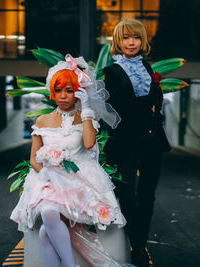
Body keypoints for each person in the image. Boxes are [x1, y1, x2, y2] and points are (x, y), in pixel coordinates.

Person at [10, 55, 126, 267]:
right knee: (47, 211)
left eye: (69, 90)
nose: (63, 96)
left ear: (78, 93)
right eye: (59, 90)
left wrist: (88, 109)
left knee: (46, 230)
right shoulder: (42, 120)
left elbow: (90, 144)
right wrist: (46, 173)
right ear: (52, 92)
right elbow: (34, 159)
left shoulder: (84, 116)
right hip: (49, 181)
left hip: (78, 179)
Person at [103, 18, 171, 267]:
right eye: (126, 37)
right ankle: (134, 239)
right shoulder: (111, 73)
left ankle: (139, 245)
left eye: (136, 37)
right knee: (127, 192)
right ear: (118, 41)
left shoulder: (148, 70)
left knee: (147, 195)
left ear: (143, 41)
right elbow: (114, 109)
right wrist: (146, 108)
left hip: (152, 140)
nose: (131, 42)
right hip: (126, 142)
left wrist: (151, 108)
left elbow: (156, 101)